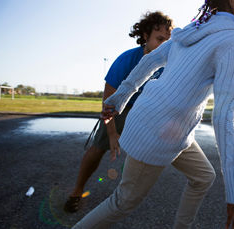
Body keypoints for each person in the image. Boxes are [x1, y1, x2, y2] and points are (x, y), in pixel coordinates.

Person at [73, 0, 234, 228]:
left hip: (169, 127)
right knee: (123, 202)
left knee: (203, 176)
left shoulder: (195, 29)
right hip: (156, 133)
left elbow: (150, 60)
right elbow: (223, 115)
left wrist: (119, 98)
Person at [63, 11, 174, 213]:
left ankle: (130, 196)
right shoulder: (126, 60)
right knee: (99, 147)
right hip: (120, 110)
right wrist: (112, 134)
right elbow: (108, 104)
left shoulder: (170, 63)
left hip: (148, 110)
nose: (165, 45)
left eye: (168, 40)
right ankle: (77, 191)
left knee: (148, 154)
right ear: (146, 35)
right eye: (160, 39)